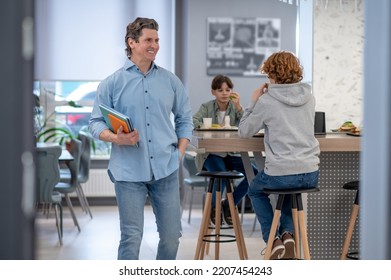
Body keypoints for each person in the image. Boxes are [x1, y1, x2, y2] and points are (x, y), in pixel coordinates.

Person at [89, 17, 193, 260]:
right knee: (131, 236)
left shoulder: (170, 81)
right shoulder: (112, 83)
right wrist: (116, 138)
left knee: (171, 236)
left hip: (165, 169)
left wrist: (179, 153)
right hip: (128, 172)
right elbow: (95, 123)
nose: (154, 45)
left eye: (157, 40)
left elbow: (185, 119)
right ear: (132, 42)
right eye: (148, 40)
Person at [238, 51, 320, 260]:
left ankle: (273, 240)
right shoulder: (309, 97)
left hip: (281, 173)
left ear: (272, 75)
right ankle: (288, 235)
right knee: (291, 192)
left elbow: (244, 131)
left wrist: (253, 102)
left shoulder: (267, 101)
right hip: (310, 172)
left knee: (255, 190)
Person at [193, 75, 258, 225]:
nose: (224, 93)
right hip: (212, 154)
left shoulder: (235, 108)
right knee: (221, 174)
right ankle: (214, 209)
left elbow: (247, 124)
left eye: (228, 90)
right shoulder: (206, 107)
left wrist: (239, 107)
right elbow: (193, 122)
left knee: (253, 174)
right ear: (213, 92)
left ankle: (229, 204)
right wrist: (204, 126)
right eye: (220, 90)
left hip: (232, 153)